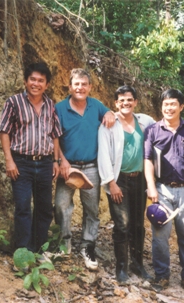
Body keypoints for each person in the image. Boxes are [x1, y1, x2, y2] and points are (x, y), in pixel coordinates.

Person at [144, 89, 184, 297]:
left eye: (173, 104)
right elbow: (147, 160)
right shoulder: (153, 130)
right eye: (165, 104)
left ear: (181, 107)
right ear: (161, 106)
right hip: (162, 190)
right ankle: (162, 275)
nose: (169, 108)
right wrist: (151, 186)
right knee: (160, 237)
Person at [0, 62, 62, 257]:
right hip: (22, 163)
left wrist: (55, 161)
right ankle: (23, 252)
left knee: (44, 208)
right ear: (26, 81)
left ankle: (39, 249)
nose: (36, 83)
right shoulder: (14, 102)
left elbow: (55, 134)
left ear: (47, 84)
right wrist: (9, 160)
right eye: (32, 79)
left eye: (40, 80)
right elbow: (4, 131)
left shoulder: (50, 105)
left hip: (44, 163)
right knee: (23, 207)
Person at [54, 68, 115, 271]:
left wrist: (109, 113)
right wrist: (61, 161)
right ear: (70, 87)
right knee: (61, 206)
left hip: (91, 166)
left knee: (92, 210)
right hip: (68, 166)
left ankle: (88, 246)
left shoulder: (95, 105)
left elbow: (109, 112)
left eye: (84, 84)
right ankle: (64, 244)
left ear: (89, 87)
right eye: (76, 84)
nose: (80, 88)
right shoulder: (60, 108)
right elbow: (54, 138)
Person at [97, 85, 155, 283]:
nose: (126, 103)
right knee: (122, 224)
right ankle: (121, 268)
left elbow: (167, 126)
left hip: (140, 180)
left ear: (135, 102)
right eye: (121, 100)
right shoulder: (109, 124)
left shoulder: (145, 121)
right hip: (118, 179)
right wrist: (111, 183)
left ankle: (137, 264)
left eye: (129, 100)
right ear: (116, 103)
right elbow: (103, 154)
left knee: (138, 224)